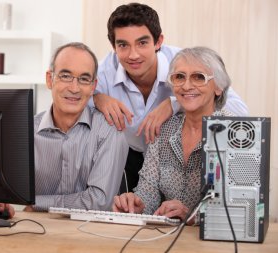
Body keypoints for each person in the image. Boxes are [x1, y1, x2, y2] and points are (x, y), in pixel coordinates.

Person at [91, 2, 248, 193]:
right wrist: (97, 98)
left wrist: (175, 103)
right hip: (125, 157)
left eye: (142, 43)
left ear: (158, 42)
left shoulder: (183, 63)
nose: (133, 54)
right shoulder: (101, 72)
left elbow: (239, 112)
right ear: (113, 46)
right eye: (123, 45)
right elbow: (72, 101)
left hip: (173, 158)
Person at [0, 42, 128, 218]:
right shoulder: (23, 132)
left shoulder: (109, 132)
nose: (74, 88)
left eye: (83, 79)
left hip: (91, 237)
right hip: (33, 234)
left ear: (93, 86)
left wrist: (33, 203)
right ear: (49, 79)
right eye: (66, 76)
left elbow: (99, 201)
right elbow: (5, 190)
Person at [112, 46, 234, 224]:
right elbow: (148, 192)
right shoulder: (164, 131)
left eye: (199, 77)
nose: (186, 85)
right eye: (179, 77)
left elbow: (241, 206)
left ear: (218, 88)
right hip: (167, 241)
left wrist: (193, 216)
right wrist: (137, 206)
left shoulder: (235, 134)